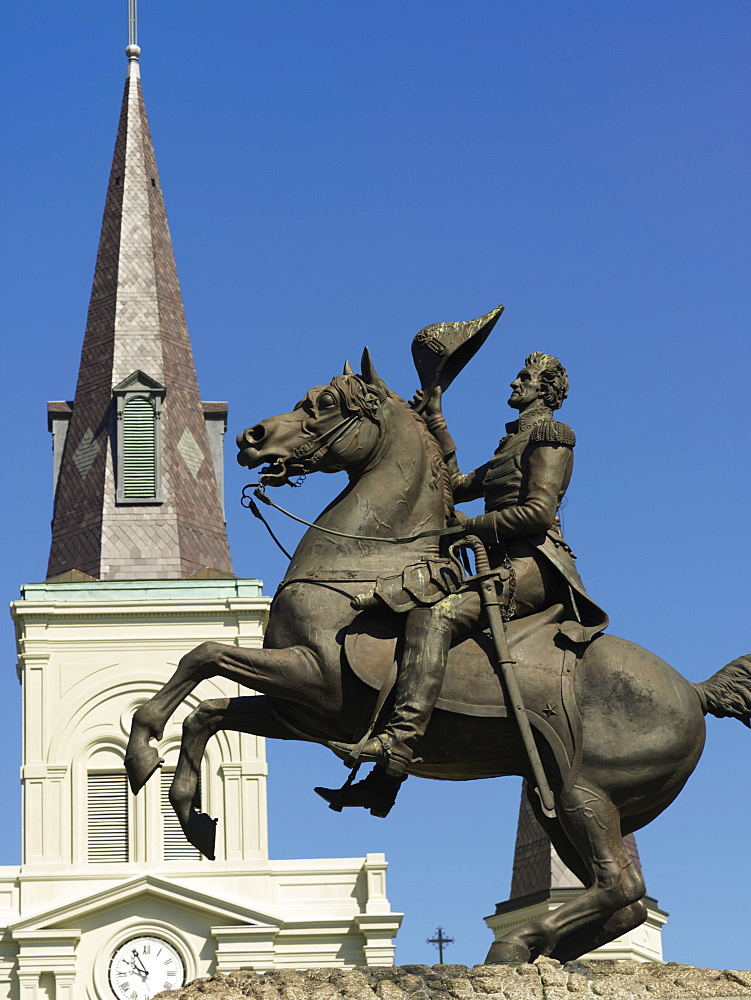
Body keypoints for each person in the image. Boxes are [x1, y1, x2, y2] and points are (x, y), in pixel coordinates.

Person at [329, 351, 607, 779]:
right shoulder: (510, 444)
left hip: (530, 565)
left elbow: (536, 512)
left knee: (435, 618)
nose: (515, 383)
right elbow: (455, 486)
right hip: (494, 562)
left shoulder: (552, 435)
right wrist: (435, 420)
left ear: (546, 389)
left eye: (524, 377)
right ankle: (383, 781)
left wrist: (470, 526)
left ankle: (400, 743)